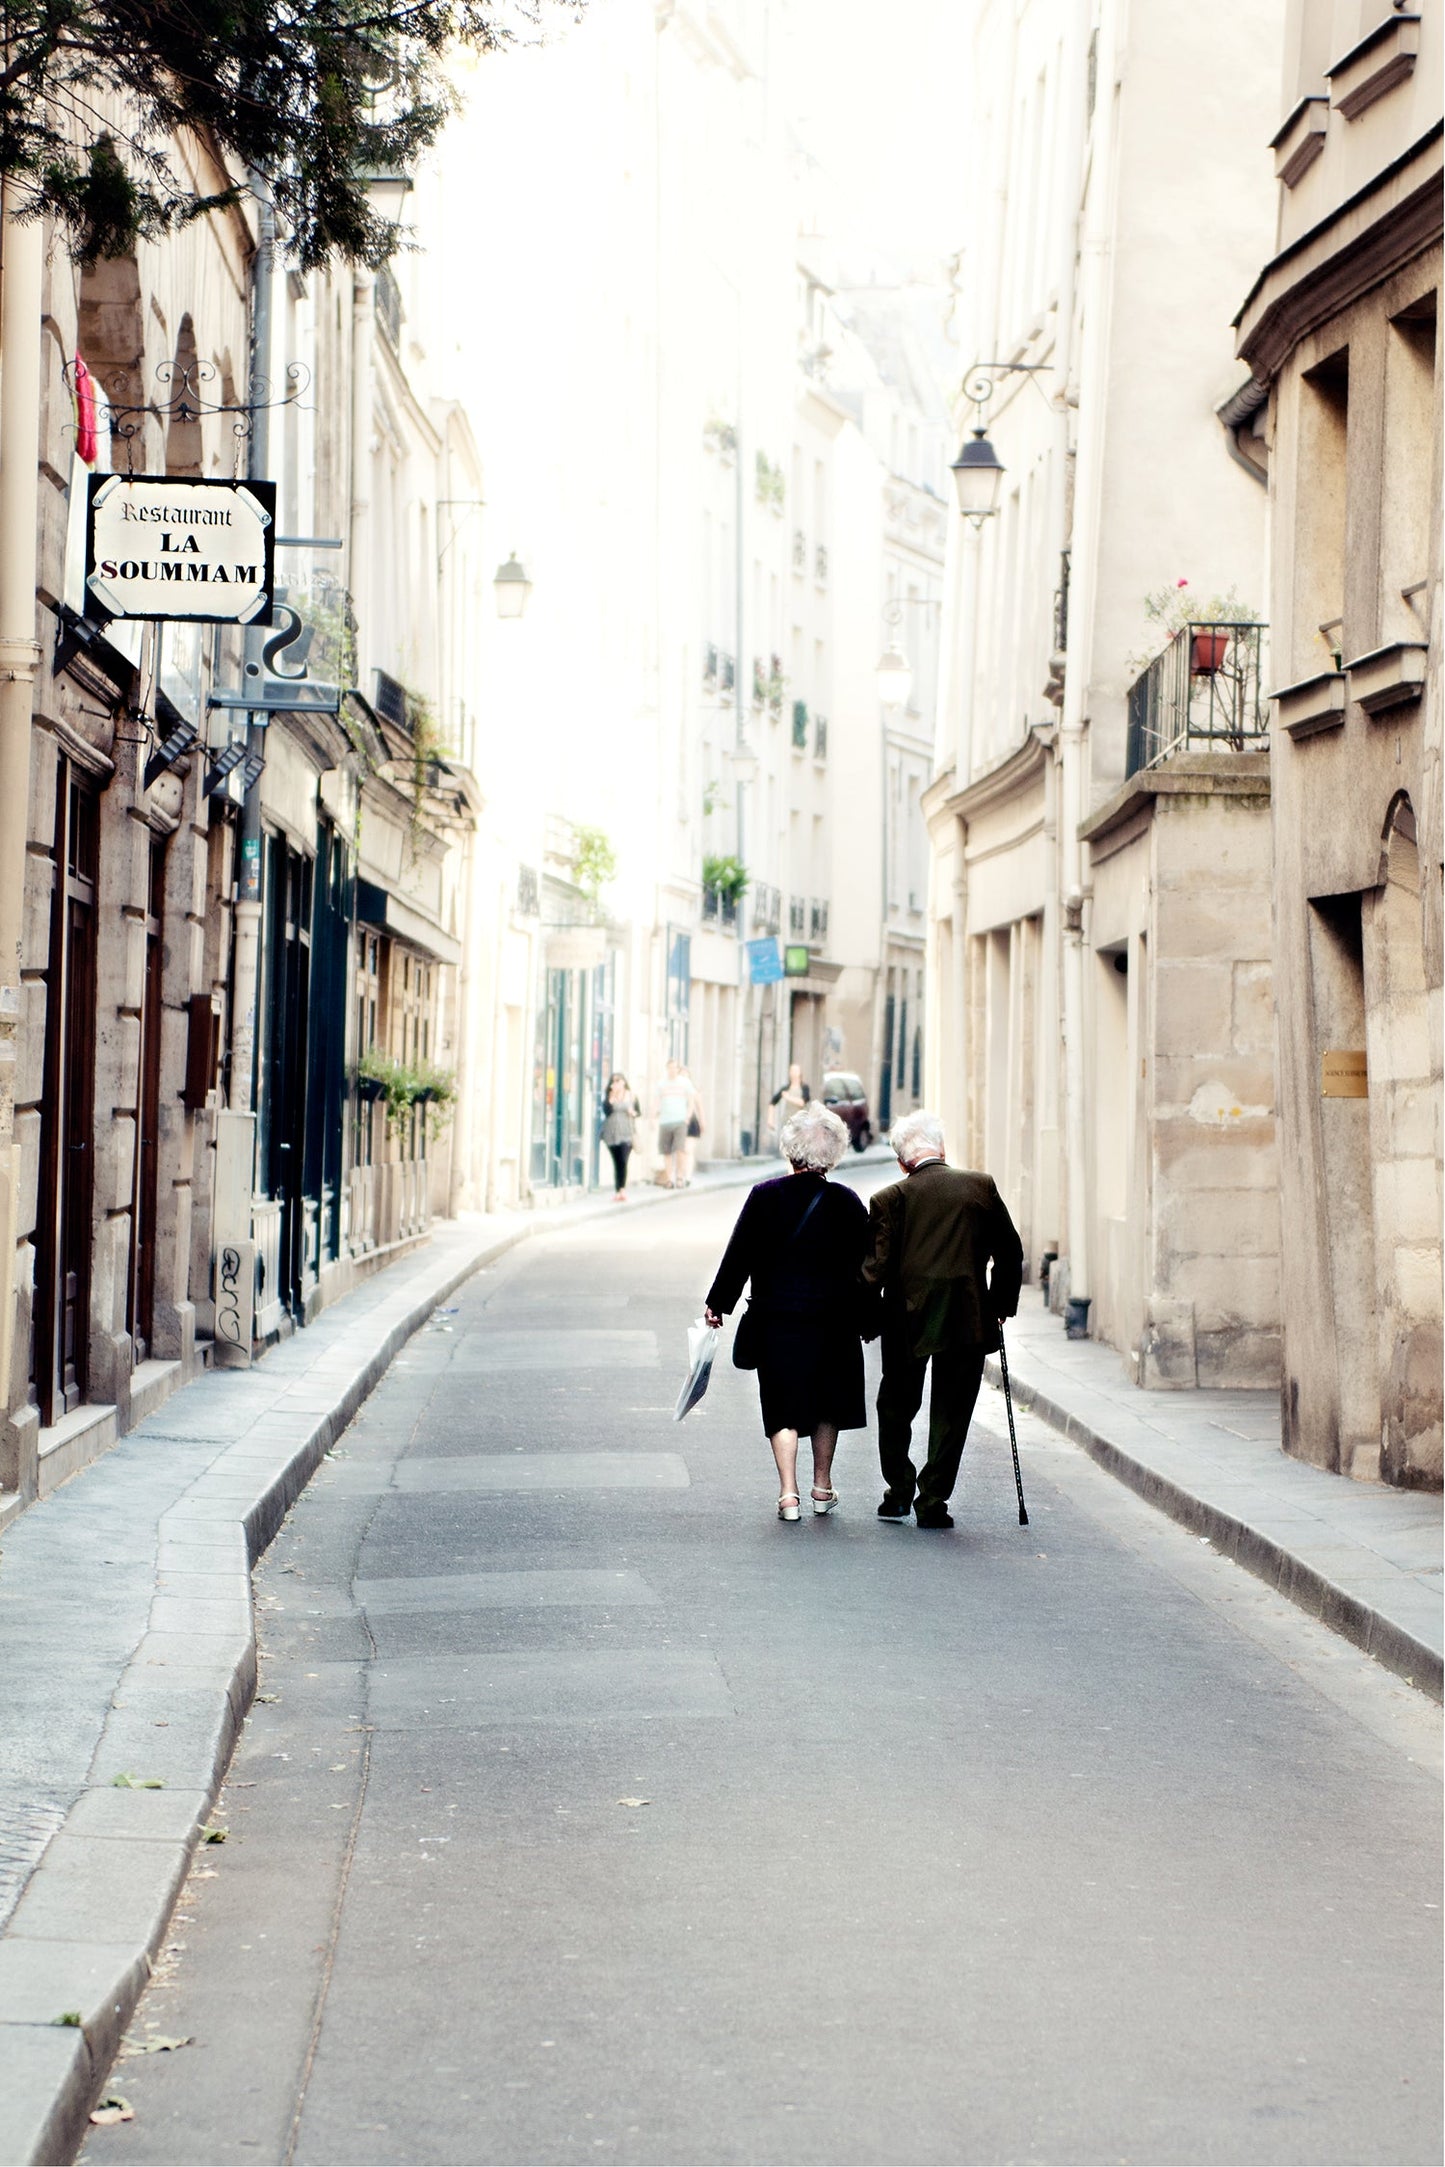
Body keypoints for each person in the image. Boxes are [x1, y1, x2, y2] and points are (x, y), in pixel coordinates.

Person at [704, 1103, 868, 1521]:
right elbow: (866, 1268)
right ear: (833, 1153)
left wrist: (718, 1304)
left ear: (790, 1151)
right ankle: (821, 1486)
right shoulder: (847, 1203)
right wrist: (870, 1318)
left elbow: (738, 1255)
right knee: (828, 1402)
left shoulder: (765, 1198)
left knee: (782, 1405)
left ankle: (788, 1494)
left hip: (777, 1321)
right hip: (833, 1322)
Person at [861, 1108, 1023, 1530]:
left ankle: (898, 1492)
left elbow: (872, 1272)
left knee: (895, 1405)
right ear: (943, 1150)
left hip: (905, 1319)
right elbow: (1011, 1251)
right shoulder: (980, 1187)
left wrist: (868, 1319)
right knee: (953, 1410)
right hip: (967, 1316)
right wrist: (999, 1305)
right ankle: (932, 1500)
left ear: (902, 1162)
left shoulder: (889, 1200)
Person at [654, 1057, 702, 1190]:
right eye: (670, 1068)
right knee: (667, 1151)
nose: (672, 1070)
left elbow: (693, 1100)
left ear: (677, 1069)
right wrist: (653, 1117)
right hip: (665, 1121)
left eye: (675, 1068)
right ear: (667, 1069)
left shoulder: (684, 1083)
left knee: (681, 1150)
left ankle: (680, 1177)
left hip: (680, 1121)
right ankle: (670, 1179)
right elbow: (656, 1101)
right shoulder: (661, 1084)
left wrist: (687, 1117)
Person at [600, 1073, 638, 1201]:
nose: (616, 1083)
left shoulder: (631, 1096)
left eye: (618, 1080)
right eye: (613, 1081)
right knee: (617, 1162)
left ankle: (622, 1189)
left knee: (623, 1160)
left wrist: (633, 1112)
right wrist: (611, 1099)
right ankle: (618, 1191)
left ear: (624, 1082)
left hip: (627, 1132)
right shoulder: (609, 1096)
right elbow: (606, 1111)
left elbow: (638, 1112)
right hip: (611, 1133)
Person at [767, 1061, 810, 1136]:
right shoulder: (786, 1089)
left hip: (801, 1123)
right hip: (787, 1122)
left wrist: (788, 1097)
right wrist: (770, 1119)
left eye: (796, 1070)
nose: (794, 1073)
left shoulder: (804, 1088)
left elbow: (802, 1102)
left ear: (800, 1073)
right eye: (792, 1071)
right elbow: (772, 1102)